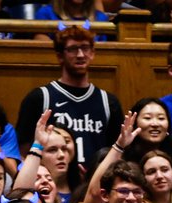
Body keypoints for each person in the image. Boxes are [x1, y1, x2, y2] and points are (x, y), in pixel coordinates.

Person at [15, 26, 123, 165]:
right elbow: (24, 151)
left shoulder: (108, 102)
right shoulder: (39, 98)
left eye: (85, 48)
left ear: (92, 53)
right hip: (51, 177)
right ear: (60, 56)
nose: (80, 55)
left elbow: (117, 152)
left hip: (97, 177)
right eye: (72, 49)